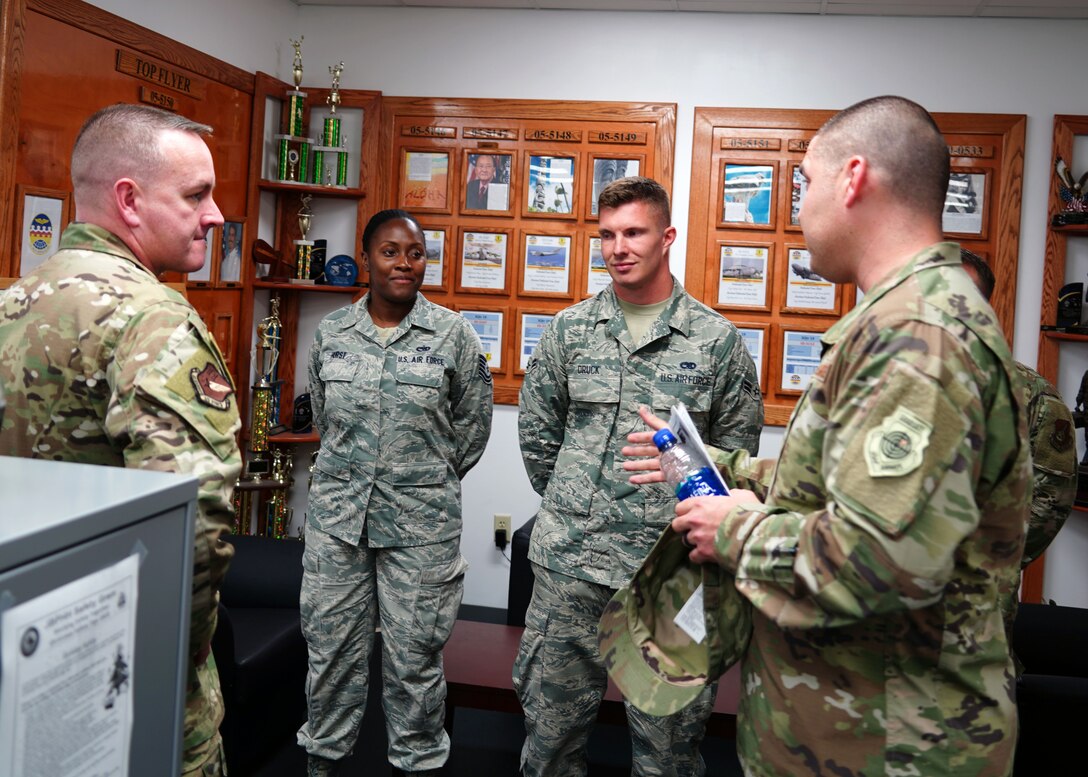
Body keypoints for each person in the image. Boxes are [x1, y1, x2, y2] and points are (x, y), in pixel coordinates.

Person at [625, 97, 1031, 776]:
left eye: (804, 184)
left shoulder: (918, 336)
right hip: (844, 734)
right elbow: (842, 497)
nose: (797, 208)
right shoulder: (900, 319)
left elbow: (876, 556)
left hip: (892, 745)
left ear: (853, 178)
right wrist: (716, 466)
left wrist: (733, 529)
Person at [0, 103, 239, 776]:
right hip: (126, 685)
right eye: (196, 195)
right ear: (129, 201)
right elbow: (198, 519)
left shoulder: (12, 303)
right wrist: (172, 656)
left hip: (29, 673)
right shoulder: (151, 318)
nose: (216, 214)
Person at [515, 176, 763, 776]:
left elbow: (734, 458)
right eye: (606, 235)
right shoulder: (571, 331)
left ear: (667, 237)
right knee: (549, 742)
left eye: (633, 232)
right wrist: (581, 506)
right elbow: (539, 440)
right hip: (570, 567)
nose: (618, 247)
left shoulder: (715, 341)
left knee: (667, 753)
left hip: (668, 573)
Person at [298, 209, 494, 777]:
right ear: (366, 258)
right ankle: (323, 762)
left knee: (414, 660)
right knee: (330, 653)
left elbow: (472, 429)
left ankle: (416, 764)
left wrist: (422, 479)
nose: (403, 264)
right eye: (390, 252)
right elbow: (325, 416)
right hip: (338, 523)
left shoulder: (454, 335)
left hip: (421, 528)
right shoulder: (333, 333)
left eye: (415, 253)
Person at [959, 248, 1076, 576]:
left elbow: (1051, 499)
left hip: (975, 595)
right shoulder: (888, 376)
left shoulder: (1032, 395)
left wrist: (984, 563)